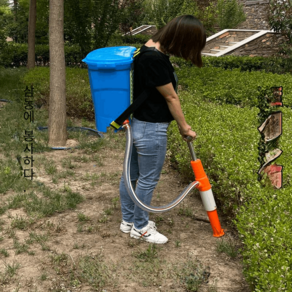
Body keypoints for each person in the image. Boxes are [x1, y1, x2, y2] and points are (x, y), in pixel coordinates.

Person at [119, 15, 206, 244]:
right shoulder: (156, 60)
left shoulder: (146, 48)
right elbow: (171, 97)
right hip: (152, 129)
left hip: (139, 123)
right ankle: (140, 227)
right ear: (181, 39)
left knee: (131, 176)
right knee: (147, 180)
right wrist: (185, 128)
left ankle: (128, 220)